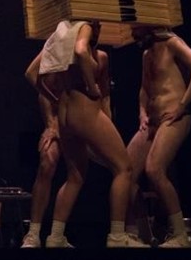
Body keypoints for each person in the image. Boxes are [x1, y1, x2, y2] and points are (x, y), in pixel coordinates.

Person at [38, 19, 147, 248]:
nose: (97, 29)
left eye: (98, 26)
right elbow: (80, 50)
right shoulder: (83, 27)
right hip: (85, 110)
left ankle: (55, 237)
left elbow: (33, 74)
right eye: (95, 24)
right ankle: (117, 236)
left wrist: (55, 100)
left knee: (75, 176)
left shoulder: (62, 40)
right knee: (124, 168)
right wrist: (90, 86)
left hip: (66, 115)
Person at [125, 25, 191, 248]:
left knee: (154, 169)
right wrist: (142, 112)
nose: (132, 34)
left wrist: (182, 105)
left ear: (149, 25)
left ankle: (181, 235)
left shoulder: (172, 43)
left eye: (135, 28)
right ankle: (145, 236)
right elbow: (145, 89)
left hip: (174, 118)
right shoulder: (146, 54)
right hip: (152, 122)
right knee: (124, 173)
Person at [19, 55, 62, 248]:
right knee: (47, 160)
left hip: (80, 116)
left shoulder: (88, 51)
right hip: (57, 117)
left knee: (118, 165)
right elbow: (34, 77)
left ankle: (58, 234)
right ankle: (33, 233)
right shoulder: (55, 46)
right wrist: (51, 124)